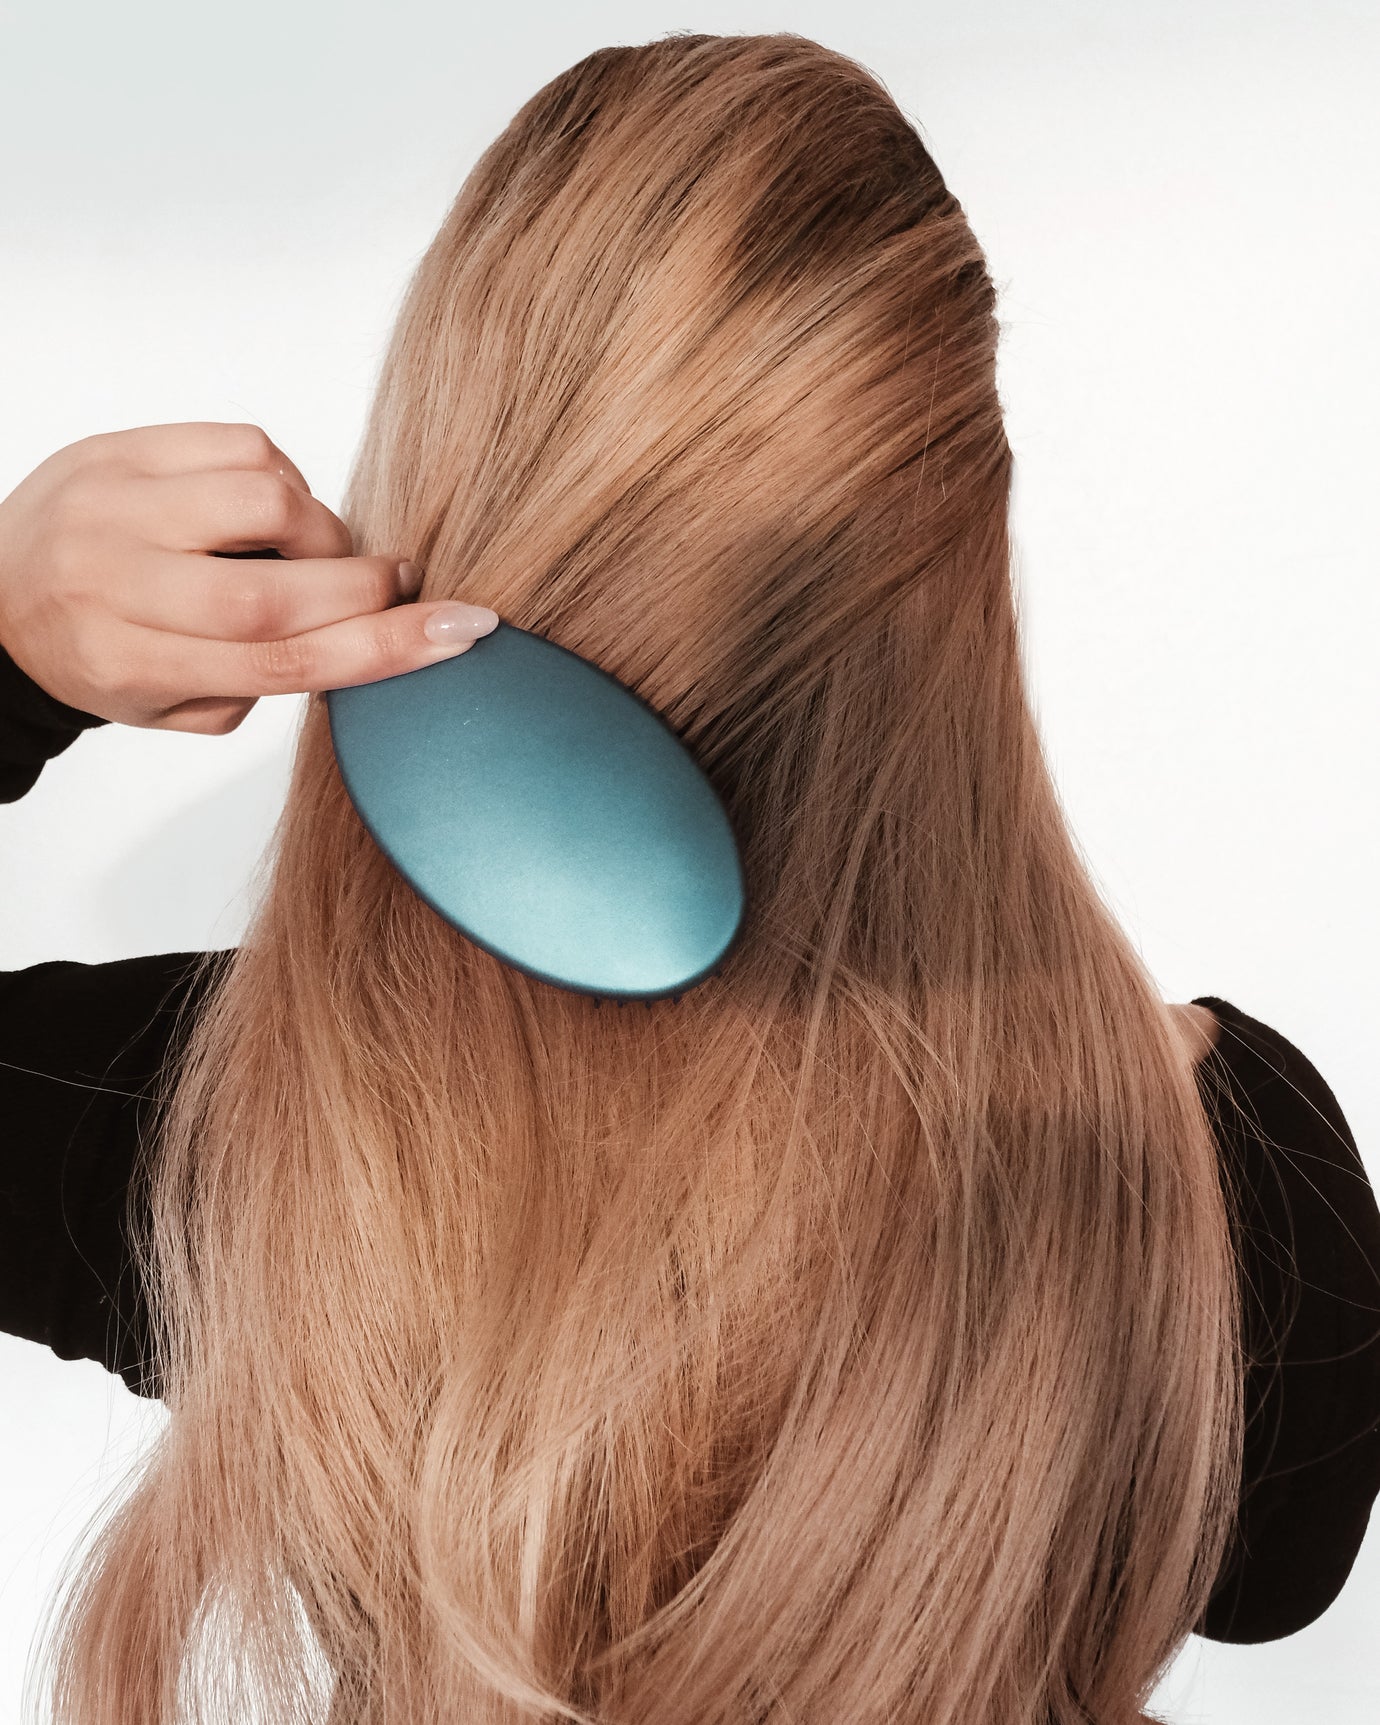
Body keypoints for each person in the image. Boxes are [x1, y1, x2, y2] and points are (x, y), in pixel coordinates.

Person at [2, 30, 1378, 1725]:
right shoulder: (1234, 1186)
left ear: (459, 484)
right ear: (954, 538)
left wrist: (13, 655)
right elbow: (1281, 1573)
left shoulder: (232, 1128)